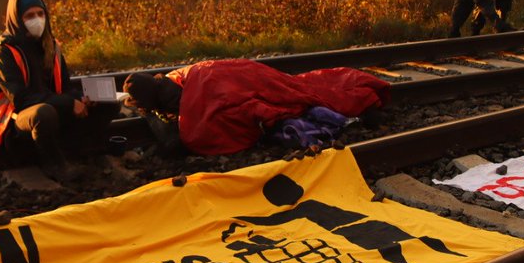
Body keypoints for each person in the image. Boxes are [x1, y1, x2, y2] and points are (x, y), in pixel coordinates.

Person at [122, 59, 389, 155]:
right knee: (299, 87)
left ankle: (352, 106)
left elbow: (182, 141)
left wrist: (148, 114)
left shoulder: (187, 108)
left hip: (231, 83)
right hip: (239, 73)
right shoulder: (179, 76)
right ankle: (352, 97)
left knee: (291, 98)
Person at [0, 0, 118, 169]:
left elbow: (64, 87)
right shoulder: (5, 52)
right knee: (44, 113)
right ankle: (54, 165)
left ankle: (81, 151)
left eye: (40, 14)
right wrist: (68, 103)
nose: (37, 20)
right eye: (29, 16)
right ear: (17, 19)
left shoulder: (51, 46)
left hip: (54, 106)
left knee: (108, 99)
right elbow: (22, 99)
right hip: (19, 118)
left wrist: (81, 99)